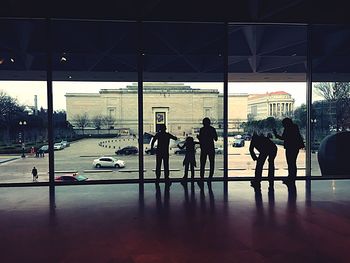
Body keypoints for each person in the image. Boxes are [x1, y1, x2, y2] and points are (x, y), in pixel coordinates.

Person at [273, 118, 305, 186]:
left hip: (290, 147)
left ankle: (290, 178)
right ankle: (292, 178)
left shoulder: (287, 128)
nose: (283, 125)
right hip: (295, 147)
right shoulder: (295, 127)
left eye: (283, 124)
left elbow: (283, 138)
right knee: (293, 163)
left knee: (290, 163)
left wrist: (276, 135)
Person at [197, 117, 218, 183]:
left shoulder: (202, 130)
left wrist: (199, 138)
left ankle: (202, 178)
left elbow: (201, 140)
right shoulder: (212, 129)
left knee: (202, 163)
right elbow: (216, 139)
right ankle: (210, 177)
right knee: (212, 163)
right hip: (211, 148)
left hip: (204, 148)